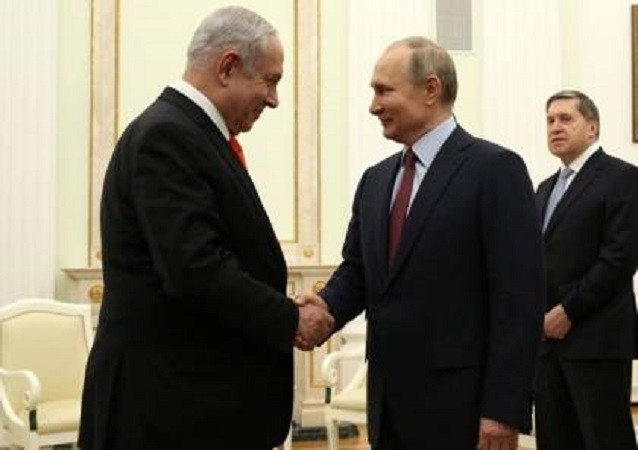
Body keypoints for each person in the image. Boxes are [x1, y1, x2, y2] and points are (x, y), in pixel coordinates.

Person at [78, 6, 333, 450]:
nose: (274, 99)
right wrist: (289, 318)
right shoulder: (167, 135)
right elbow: (194, 269)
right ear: (228, 67)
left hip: (190, 408)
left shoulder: (191, 133)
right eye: (270, 80)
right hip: (169, 412)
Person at [297, 36, 545, 450]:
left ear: (431, 89)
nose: (373, 106)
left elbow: (518, 299)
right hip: (388, 407)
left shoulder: (495, 169)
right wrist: (324, 308)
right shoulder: (376, 180)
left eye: (384, 91)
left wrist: (503, 409)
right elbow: (359, 272)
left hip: (462, 410)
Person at [534, 90, 638, 450]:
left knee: (604, 440)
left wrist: (568, 311)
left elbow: (620, 258)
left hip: (596, 340)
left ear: (591, 128)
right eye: (550, 120)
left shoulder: (623, 178)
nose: (555, 127)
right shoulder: (544, 189)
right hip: (547, 345)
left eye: (566, 119)